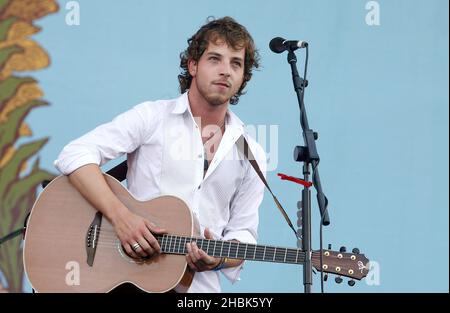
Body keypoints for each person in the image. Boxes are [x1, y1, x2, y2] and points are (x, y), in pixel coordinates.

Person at [54, 16, 266, 293]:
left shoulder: (252, 154)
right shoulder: (153, 118)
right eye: (215, 59)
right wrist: (122, 218)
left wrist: (219, 259)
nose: (226, 70)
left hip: (198, 289)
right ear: (193, 65)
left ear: (243, 77)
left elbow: (244, 235)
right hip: (129, 277)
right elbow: (75, 154)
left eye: (236, 63)